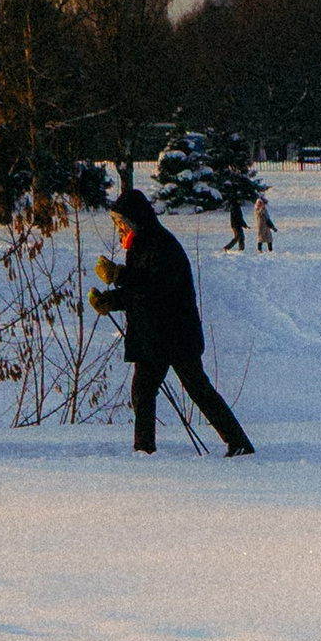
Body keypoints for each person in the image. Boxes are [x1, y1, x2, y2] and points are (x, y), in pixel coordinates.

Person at [98, 186, 254, 456]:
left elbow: (156, 288)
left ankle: (237, 443)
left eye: (120, 222)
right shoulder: (140, 246)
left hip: (175, 334)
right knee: (146, 391)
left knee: (195, 390)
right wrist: (110, 302)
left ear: (134, 220)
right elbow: (141, 292)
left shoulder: (162, 245)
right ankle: (144, 450)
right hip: (157, 336)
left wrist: (119, 277)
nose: (118, 228)